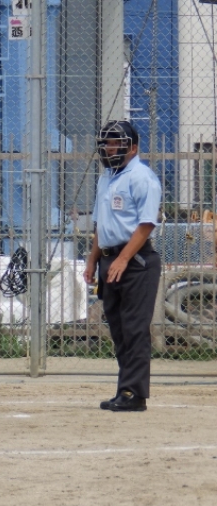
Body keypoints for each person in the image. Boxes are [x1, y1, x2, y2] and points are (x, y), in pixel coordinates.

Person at [83, 120, 162, 412]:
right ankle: (124, 389)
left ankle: (135, 394)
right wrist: (92, 259)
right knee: (118, 329)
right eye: (106, 143)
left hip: (136, 261)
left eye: (117, 143)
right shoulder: (107, 177)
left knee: (134, 328)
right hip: (109, 258)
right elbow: (100, 224)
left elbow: (146, 224)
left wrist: (124, 258)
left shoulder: (142, 178)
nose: (110, 148)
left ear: (133, 148)